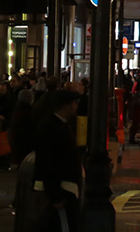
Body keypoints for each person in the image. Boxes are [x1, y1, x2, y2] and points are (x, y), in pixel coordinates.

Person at [33, 90, 82, 232]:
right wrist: (55, 196)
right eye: (74, 103)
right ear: (64, 106)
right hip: (61, 190)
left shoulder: (61, 125)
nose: (76, 107)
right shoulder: (51, 128)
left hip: (64, 188)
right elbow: (47, 162)